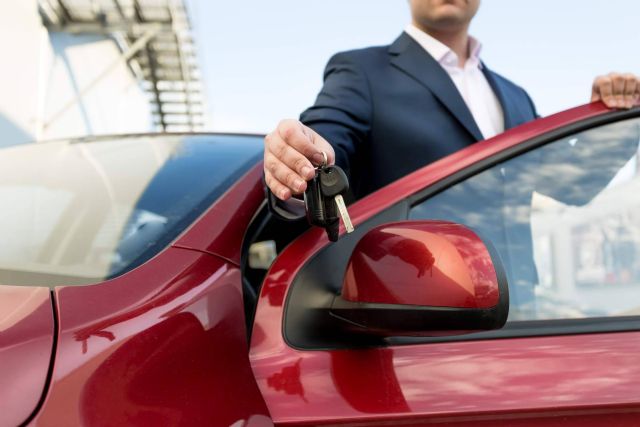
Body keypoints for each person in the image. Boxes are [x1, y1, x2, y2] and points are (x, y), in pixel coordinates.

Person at [263, 0, 640, 202]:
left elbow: (570, 185)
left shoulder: (516, 96)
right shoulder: (362, 71)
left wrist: (614, 119)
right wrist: (303, 152)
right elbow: (324, 143)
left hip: (519, 315)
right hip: (413, 317)